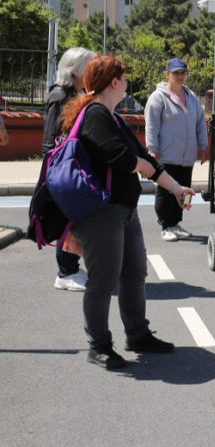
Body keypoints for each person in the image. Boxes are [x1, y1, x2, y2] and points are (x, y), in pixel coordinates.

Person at [59, 55, 196, 369]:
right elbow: (118, 156)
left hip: (124, 210)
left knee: (134, 274)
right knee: (103, 281)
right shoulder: (94, 113)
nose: (127, 82)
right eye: (124, 78)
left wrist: (176, 188)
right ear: (113, 82)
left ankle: (137, 334)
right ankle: (99, 346)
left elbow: (142, 155)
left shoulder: (113, 117)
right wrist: (141, 165)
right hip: (101, 212)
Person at [42, 46, 97, 291]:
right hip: (63, 168)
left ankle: (70, 266)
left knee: (74, 219)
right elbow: (52, 137)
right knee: (67, 218)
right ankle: (65, 271)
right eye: (89, 67)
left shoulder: (74, 93)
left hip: (70, 165)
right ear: (75, 70)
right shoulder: (60, 96)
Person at [144, 57, 208, 241]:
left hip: (187, 156)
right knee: (166, 191)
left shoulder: (192, 97)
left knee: (185, 190)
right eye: (176, 73)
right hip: (166, 154)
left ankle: (177, 223)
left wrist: (203, 145)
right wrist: (152, 148)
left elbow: (200, 122)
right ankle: (166, 225)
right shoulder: (158, 98)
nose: (180, 76)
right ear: (168, 74)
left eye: (183, 72)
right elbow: (151, 125)